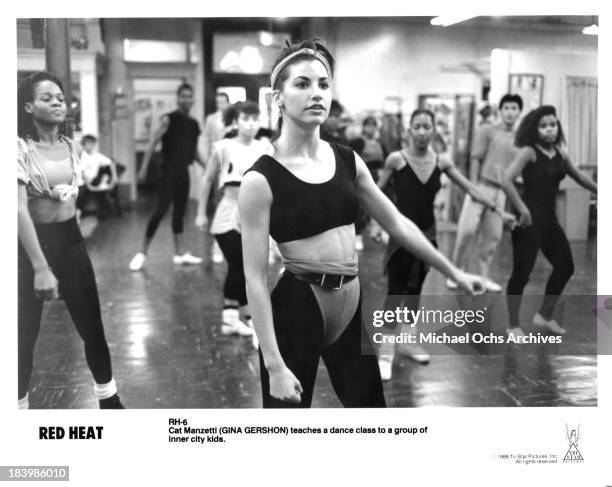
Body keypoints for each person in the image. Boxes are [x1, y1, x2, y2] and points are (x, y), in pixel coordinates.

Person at [239, 39, 484, 408]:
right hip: (298, 306)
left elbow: (398, 224)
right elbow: (254, 278)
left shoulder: (348, 161)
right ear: (278, 98)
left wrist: (454, 272)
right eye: (302, 84)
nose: (316, 93)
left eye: (323, 84)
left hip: (349, 304)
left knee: (372, 413)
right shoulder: (260, 180)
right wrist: (274, 365)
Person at [376, 109, 514, 379]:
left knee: (415, 292)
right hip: (400, 233)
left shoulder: (442, 162)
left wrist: (499, 211)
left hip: (427, 235)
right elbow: (375, 192)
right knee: (395, 291)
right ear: (409, 130)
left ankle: (408, 341)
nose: (423, 131)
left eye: (427, 126)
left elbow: (472, 189)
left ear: (433, 130)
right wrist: (373, 224)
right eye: (417, 126)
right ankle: (385, 351)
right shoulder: (396, 160)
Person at [17, 71, 124, 409]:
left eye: (60, 98)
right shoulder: (18, 147)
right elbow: (17, 210)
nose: (57, 102)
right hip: (29, 246)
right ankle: (17, 409)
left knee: (92, 325)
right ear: (29, 107)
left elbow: (71, 196)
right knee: (24, 335)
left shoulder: (71, 145)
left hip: (70, 241)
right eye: (47, 98)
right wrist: (40, 268)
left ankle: (109, 400)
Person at [502, 105, 597, 337]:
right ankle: (513, 325)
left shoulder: (561, 154)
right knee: (522, 273)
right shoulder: (529, 152)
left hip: (549, 220)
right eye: (543, 126)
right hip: (528, 220)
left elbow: (579, 176)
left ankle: (544, 315)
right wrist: (522, 209)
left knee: (565, 267)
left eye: (553, 125)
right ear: (536, 130)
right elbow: (507, 180)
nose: (549, 130)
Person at [198, 101, 269, 342]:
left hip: (254, 213)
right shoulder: (223, 147)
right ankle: (247, 319)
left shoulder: (265, 148)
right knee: (240, 266)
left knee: (248, 268)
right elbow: (207, 180)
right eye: (245, 119)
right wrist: (200, 212)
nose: (250, 124)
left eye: (254, 119)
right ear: (235, 121)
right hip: (227, 211)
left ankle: (234, 319)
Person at [447, 94, 524, 292]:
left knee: (493, 237)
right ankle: (456, 273)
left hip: (501, 191)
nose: (510, 112)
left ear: (519, 112)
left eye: (514, 108)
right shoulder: (488, 130)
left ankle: (483, 276)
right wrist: (473, 188)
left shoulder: (521, 138)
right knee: (466, 231)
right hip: (481, 186)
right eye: (506, 108)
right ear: (500, 110)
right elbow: (475, 158)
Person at [129, 83, 205, 271]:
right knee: (161, 210)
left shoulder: (194, 124)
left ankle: (179, 254)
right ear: (178, 98)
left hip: (184, 173)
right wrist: (143, 168)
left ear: (193, 99)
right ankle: (142, 253)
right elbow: (152, 142)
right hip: (168, 171)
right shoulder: (168, 120)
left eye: (190, 96)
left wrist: (210, 167)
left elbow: (194, 151)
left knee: (180, 212)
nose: (187, 99)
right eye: (184, 96)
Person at [196, 92, 231, 265]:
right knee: (219, 201)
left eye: (223, 102)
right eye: (218, 102)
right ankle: (217, 244)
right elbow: (207, 138)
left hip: (232, 163)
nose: (220, 105)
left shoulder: (234, 116)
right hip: (218, 162)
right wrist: (208, 159)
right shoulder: (211, 119)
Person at [350, 115, 387, 243]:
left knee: (378, 205)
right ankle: (358, 235)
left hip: (379, 176)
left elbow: (385, 161)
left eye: (373, 125)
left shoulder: (380, 144)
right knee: (359, 207)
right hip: (363, 175)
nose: (371, 128)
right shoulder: (358, 142)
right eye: (368, 125)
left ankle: (376, 231)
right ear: (364, 127)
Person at [76, 134, 119, 220]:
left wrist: (114, 176)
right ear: (83, 145)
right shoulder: (82, 156)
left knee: (105, 189)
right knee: (81, 193)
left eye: (91, 143)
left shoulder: (97, 156)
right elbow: (83, 173)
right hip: (83, 183)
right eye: (87, 144)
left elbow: (111, 163)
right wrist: (89, 185)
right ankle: (78, 215)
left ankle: (103, 213)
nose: (90, 146)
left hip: (94, 180)